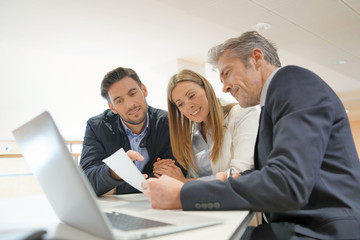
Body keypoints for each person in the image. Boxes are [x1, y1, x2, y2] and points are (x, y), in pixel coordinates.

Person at [142, 31, 360, 239]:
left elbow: (287, 182)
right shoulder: (272, 104)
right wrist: (237, 178)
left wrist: (184, 193)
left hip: (323, 229)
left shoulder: (292, 81)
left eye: (227, 73)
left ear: (256, 58)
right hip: (299, 224)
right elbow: (276, 172)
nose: (225, 87)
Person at [80, 67, 185, 196]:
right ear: (112, 107)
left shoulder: (168, 122)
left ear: (144, 90)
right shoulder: (97, 127)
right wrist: (115, 171)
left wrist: (113, 189)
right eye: (119, 101)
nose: (130, 105)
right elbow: (86, 180)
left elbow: (175, 175)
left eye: (132, 93)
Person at [153, 69, 259, 182]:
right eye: (180, 104)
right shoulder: (190, 133)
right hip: (201, 199)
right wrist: (167, 168)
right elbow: (190, 175)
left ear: (206, 89)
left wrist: (184, 182)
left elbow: (239, 174)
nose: (189, 106)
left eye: (192, 96)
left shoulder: (243, 114)